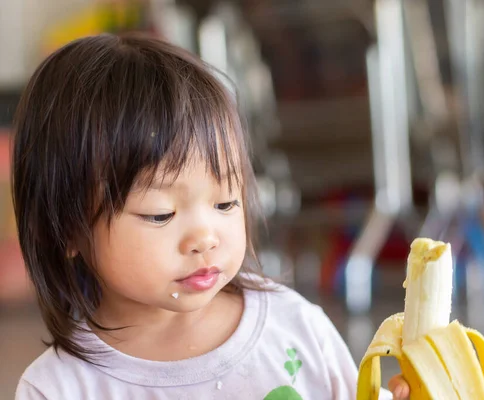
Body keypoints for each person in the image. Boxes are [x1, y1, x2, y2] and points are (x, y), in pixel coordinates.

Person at [12, 33, 410, 400]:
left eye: (225, 204)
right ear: (65, 228)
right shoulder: (60, 388)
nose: (205, 237)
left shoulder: (295, 328)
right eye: (160, 214)